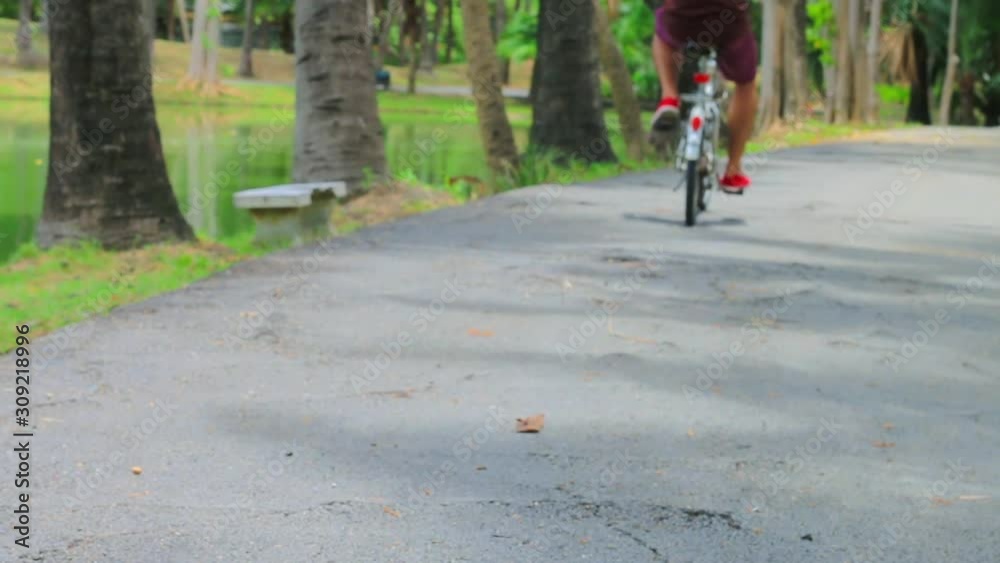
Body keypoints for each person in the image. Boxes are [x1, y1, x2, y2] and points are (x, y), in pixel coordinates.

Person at [650, 0, 757, 192]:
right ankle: (733, 169)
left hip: (682, 15)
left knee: (663, 30)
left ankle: (669, 96)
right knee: (745, 83)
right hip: (728, 20)